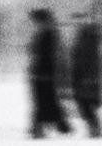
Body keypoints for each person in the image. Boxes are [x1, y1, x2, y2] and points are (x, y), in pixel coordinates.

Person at [27, 8, 72, 138]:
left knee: (45, 102)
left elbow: (51, 56)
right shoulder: (43, 33)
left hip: (45, 75)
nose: (35, 24)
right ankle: (59, 126)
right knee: (45, 102)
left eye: (37, 21)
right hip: (40, 74)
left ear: (43, 20)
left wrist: (45, 73)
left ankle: (41, 128)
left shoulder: (50, 34)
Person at [70, 13, 102, 137]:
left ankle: (95, 129)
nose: (76, 25)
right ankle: (94, 128)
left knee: (86, 103)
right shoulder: (81, 36)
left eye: (79, 22)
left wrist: (90, 76)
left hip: (87, 77)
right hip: (81, 76)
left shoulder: (89, 36)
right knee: (84, 103)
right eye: (75, 22)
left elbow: (92, 58)